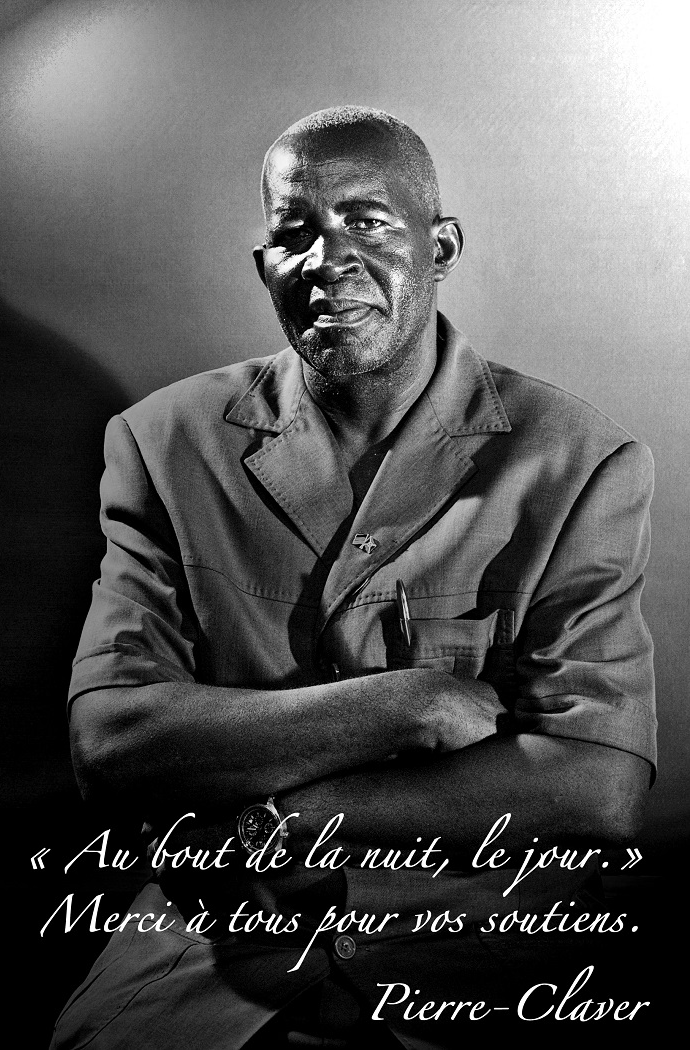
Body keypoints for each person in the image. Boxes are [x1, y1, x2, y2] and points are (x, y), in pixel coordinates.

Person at [52, 107, 655, 1048]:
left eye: (368, 222)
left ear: (440, 247)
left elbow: (596, 786)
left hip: (482, 938)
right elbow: (110, 741)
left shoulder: (578, 459)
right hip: (210, 935)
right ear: (264, 265)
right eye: (293, 232)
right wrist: (409, 706)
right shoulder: (162, 442)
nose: (327, 258)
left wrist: (287, 820)